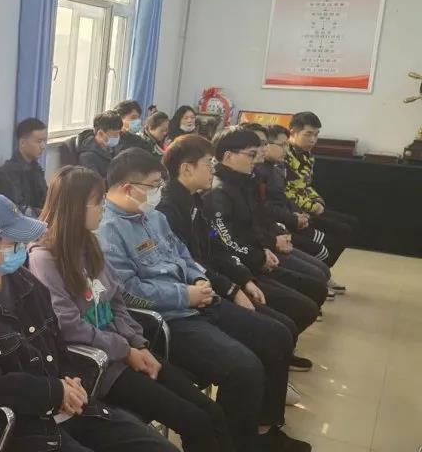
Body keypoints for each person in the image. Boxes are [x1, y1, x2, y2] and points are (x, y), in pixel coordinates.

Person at [96, 148, 310, 452]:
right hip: (170, 319)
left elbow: (183, 255)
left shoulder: (154, 217)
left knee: (276, 335)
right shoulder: (107, 231)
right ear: (128, 188)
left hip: (200, 300)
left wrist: (197, 279)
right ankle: (238, 444)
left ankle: (263, 430)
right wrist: (185, 295)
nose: (158, 192)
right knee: (243, 367)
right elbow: (129, 292)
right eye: (153, 186)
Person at [0, 192, 177, 452]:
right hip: (22, 424)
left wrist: (71, 382)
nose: (23, 247)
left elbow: (56, 342)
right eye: (14, 242)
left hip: (65, 401)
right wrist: (53, 392)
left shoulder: (25, 282)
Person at [29, 166, 234, 452]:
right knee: (195, 420)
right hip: (99, 366)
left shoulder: (89, 242)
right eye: (98, 202)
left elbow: (117, 300)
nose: (103, 208)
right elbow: (69, 325)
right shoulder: (44, 258)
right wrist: (125, 351)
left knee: (211, 412)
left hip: (126, 351)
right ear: (76, 207)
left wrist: (137, 343)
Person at [158, 135, 314, 380]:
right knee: (276, 334)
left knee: (283, 327)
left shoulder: (195, 201)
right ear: (186, 169)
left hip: (222, 276)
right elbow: (190, 262)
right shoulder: (168, 210)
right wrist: (232, 289)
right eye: (208, 163)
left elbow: (216, 241)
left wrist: (243, 279)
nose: (212, 169)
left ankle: (269, 377)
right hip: (200, 290)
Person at [202, 127, 327, 341]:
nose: (256, 158)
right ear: (228, 156)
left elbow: (255, 222)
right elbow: (224, 240)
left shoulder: (244, 181)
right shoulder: (218, 192)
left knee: (314, 288)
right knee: (301, 309)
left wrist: (267, 245)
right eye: (251, 154)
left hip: (256, 256)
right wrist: (259, 256)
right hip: (240, 266)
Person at [285, 111, 358, 292]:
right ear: (293, 132)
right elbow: (286, 192)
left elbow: (305, 185)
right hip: (293, 210)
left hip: (307, 206)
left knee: (349, 225)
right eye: (308, 134)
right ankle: (319, 276)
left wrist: (318, 201)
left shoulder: (307, 155)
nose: (313, 140)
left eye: (316, 135)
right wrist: (311, 206)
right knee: (337, 232)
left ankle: (323, 273)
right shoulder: (285, 155)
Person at [263, 125, 339, 268]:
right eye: (282, 145)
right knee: (323, 252)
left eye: (316, 135)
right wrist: (295, 217)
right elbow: (267, 208)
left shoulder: (277, 167)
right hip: (277, 226)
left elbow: (295, 191)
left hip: (288, 218)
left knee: (333, 240)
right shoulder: (260, 174)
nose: (286, 150)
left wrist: (302, 210)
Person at [0, 117, 49, 217]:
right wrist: (46, 214)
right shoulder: (8, 172)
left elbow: (46, 198)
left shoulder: (36, 168)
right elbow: (19, 209)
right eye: (39, 141)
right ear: (22, 143)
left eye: (44, 141)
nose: (43, 146)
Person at [77, 110, 124, 177]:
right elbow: (95, 181)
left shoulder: (113, 148)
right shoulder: (87, 157)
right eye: (115, 134)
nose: (117, 137)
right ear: (100, 133)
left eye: (119, 133)